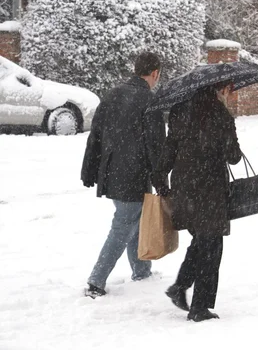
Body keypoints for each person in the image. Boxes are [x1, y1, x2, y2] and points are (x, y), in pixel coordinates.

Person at [152, 82, 242, 322]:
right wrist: (229, 135)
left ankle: (180, 287)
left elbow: (169, 149)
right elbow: (234, 157)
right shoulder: (220, 115)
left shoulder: (180, 111)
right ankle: (199, 307)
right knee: (211, 248)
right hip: (210, 191)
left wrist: (160, 180)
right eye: (228, 90)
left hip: (184, 189)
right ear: (220, 90)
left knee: (202, 240)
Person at [80, 52, 165, 298]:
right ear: (155, 73)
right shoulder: (150, 100)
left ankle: (142, 271)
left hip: (112, 171)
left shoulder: (113, 95)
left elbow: (95, 134)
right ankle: (96, 281)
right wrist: (161, 179)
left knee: (134, 221)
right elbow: (155, 144)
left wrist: (90, 170)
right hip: (134, 174)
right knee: (123, 225)